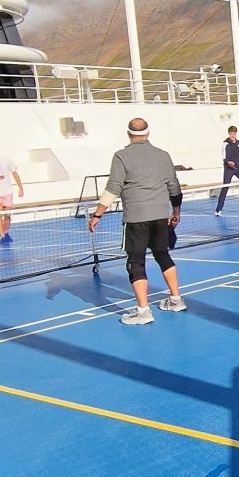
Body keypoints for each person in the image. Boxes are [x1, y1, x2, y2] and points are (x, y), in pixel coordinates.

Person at [86, 118, 185, 326]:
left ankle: (143, 311)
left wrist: (97, 215)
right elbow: (174, 186)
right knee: (163, 255)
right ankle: (176, 300)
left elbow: (113, 188)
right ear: (148, 133)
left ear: (128, 134)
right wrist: (176, 211)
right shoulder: (163, 155)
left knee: (136, 262)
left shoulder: (121, 156)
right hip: (160, 216)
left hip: (135, 219)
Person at [215, 125, 239, 214]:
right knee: (225, 187)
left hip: (238, 168)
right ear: (229, 134)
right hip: (229, 169)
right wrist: (228, 162)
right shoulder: (225, 144)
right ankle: (218, 210)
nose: (233, 135)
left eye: (234, 134)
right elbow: (224, 158)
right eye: (231, 134)